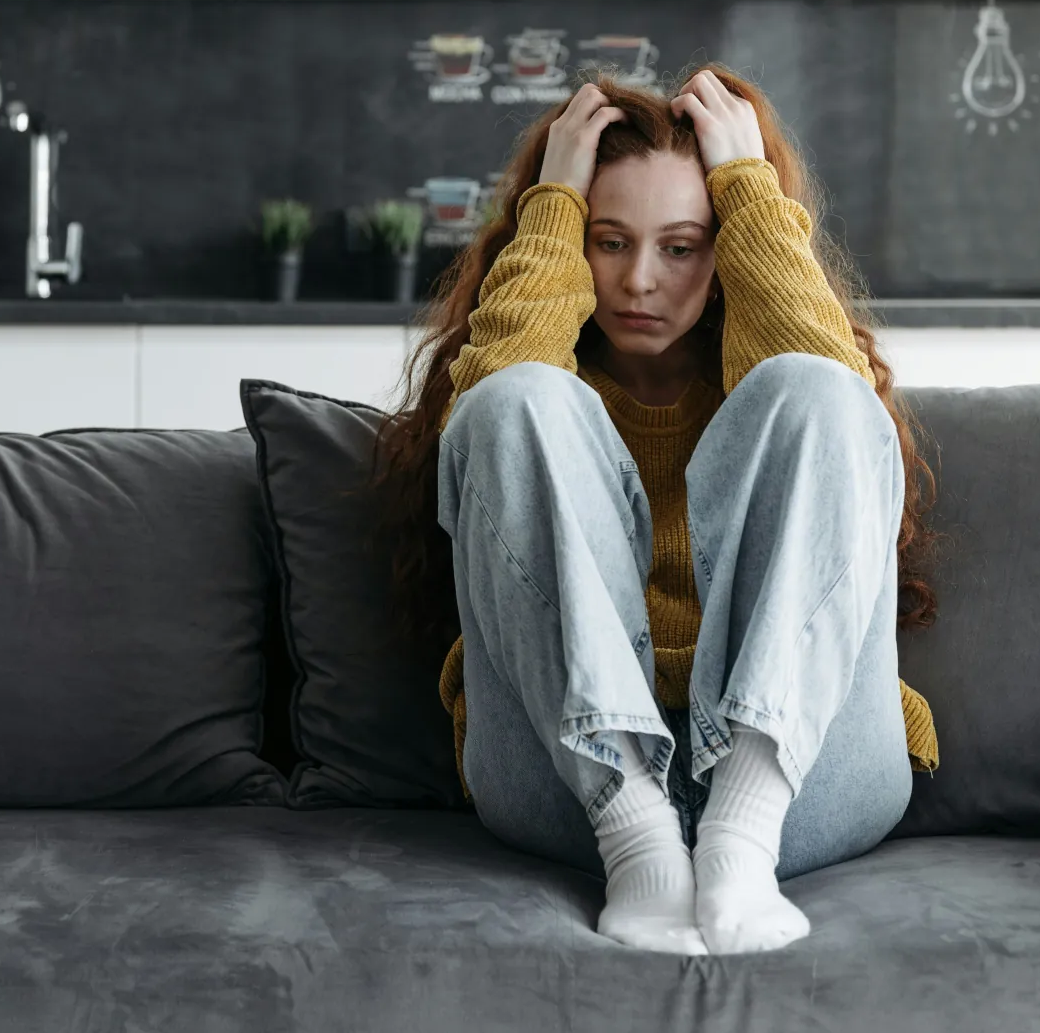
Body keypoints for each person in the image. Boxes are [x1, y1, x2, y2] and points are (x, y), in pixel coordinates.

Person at [371, 66, 943, 956]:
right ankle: (637, 831)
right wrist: (553, 197)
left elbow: (844, 415)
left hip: (801, 777)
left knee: (814, 388)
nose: (640, 280)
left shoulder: (765, 367)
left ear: (727, 251)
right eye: (607, 240)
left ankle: (741, 834)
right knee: (517, 400)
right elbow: (489, 410)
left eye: (682, 247)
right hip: (572, 782)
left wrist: (749, 195)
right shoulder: (547, 390)